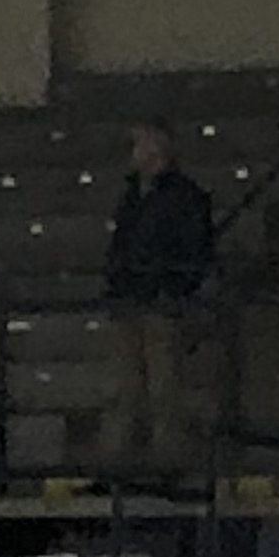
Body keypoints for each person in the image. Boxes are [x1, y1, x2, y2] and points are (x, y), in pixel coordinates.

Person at [102, 120, 217, 483]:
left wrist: (172, 288)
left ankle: (165, 462)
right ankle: (118, 462)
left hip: (161, 303)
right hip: (131, 302)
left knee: (163, 387)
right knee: (127, 387)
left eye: (140, 144)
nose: (134, 152)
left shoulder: (182, 197)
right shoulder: (134, 195)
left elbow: (196, 249)